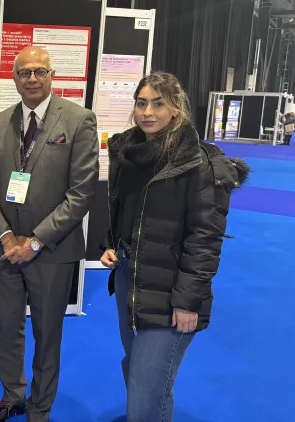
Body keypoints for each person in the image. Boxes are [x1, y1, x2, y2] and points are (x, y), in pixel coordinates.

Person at [99, 72, 249, 422]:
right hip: (129, 275)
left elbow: (205, 239)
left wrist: (187, 301)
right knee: (138, 373)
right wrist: (111, 244)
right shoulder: (127, 153)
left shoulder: (198, 162)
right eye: (141, 103)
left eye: (158, 103)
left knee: (144, 392)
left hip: (170, 290)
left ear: (176, 108)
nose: (147, 112)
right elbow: (126, 211)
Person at [0, 46, 99, 422]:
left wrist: (35, 241)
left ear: (52, 75)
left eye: (39, 71)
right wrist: (5, 236)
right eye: (24, 72)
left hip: (52, 251)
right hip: (6, 250)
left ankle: (40, 408)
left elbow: (81, 194)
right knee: (7, 328)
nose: (32, 78)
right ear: (14, 78)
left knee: (47, 334)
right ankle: (12, 396)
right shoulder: (0, 123)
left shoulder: (78, 120)